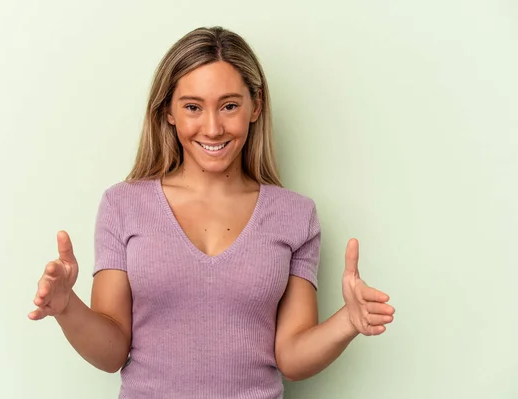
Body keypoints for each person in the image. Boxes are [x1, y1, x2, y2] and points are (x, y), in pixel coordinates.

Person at [28, 26, 395, 399]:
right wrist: (66, 307)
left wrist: (347, 321)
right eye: (192, 107)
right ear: (168, 112)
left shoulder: (295, 215)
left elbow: (292, 357)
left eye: (229, 105)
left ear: (256, 107)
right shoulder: (124, 205)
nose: (213, 128)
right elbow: (111, 352)